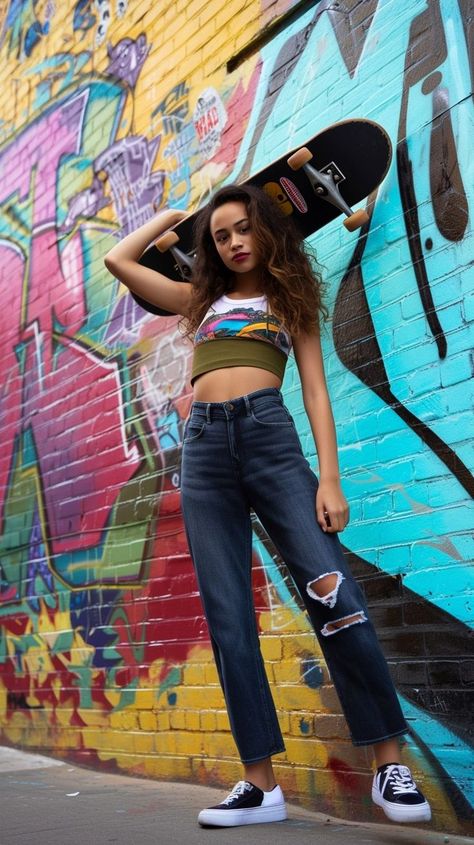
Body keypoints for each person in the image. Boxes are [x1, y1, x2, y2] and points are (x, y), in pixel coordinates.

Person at [104, 184, 432, 828]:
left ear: (268, 232)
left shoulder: (291, 301)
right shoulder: (201, 303)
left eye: (243, 229)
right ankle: (261, 784)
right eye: (221, 235)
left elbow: (314, 389)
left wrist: (329, 480)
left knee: (334, 595)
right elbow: (121, 261)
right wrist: (180, 217)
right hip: (203, 452)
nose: (233, 242)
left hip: (270, 441)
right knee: (230, 618)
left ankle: (388, 765)